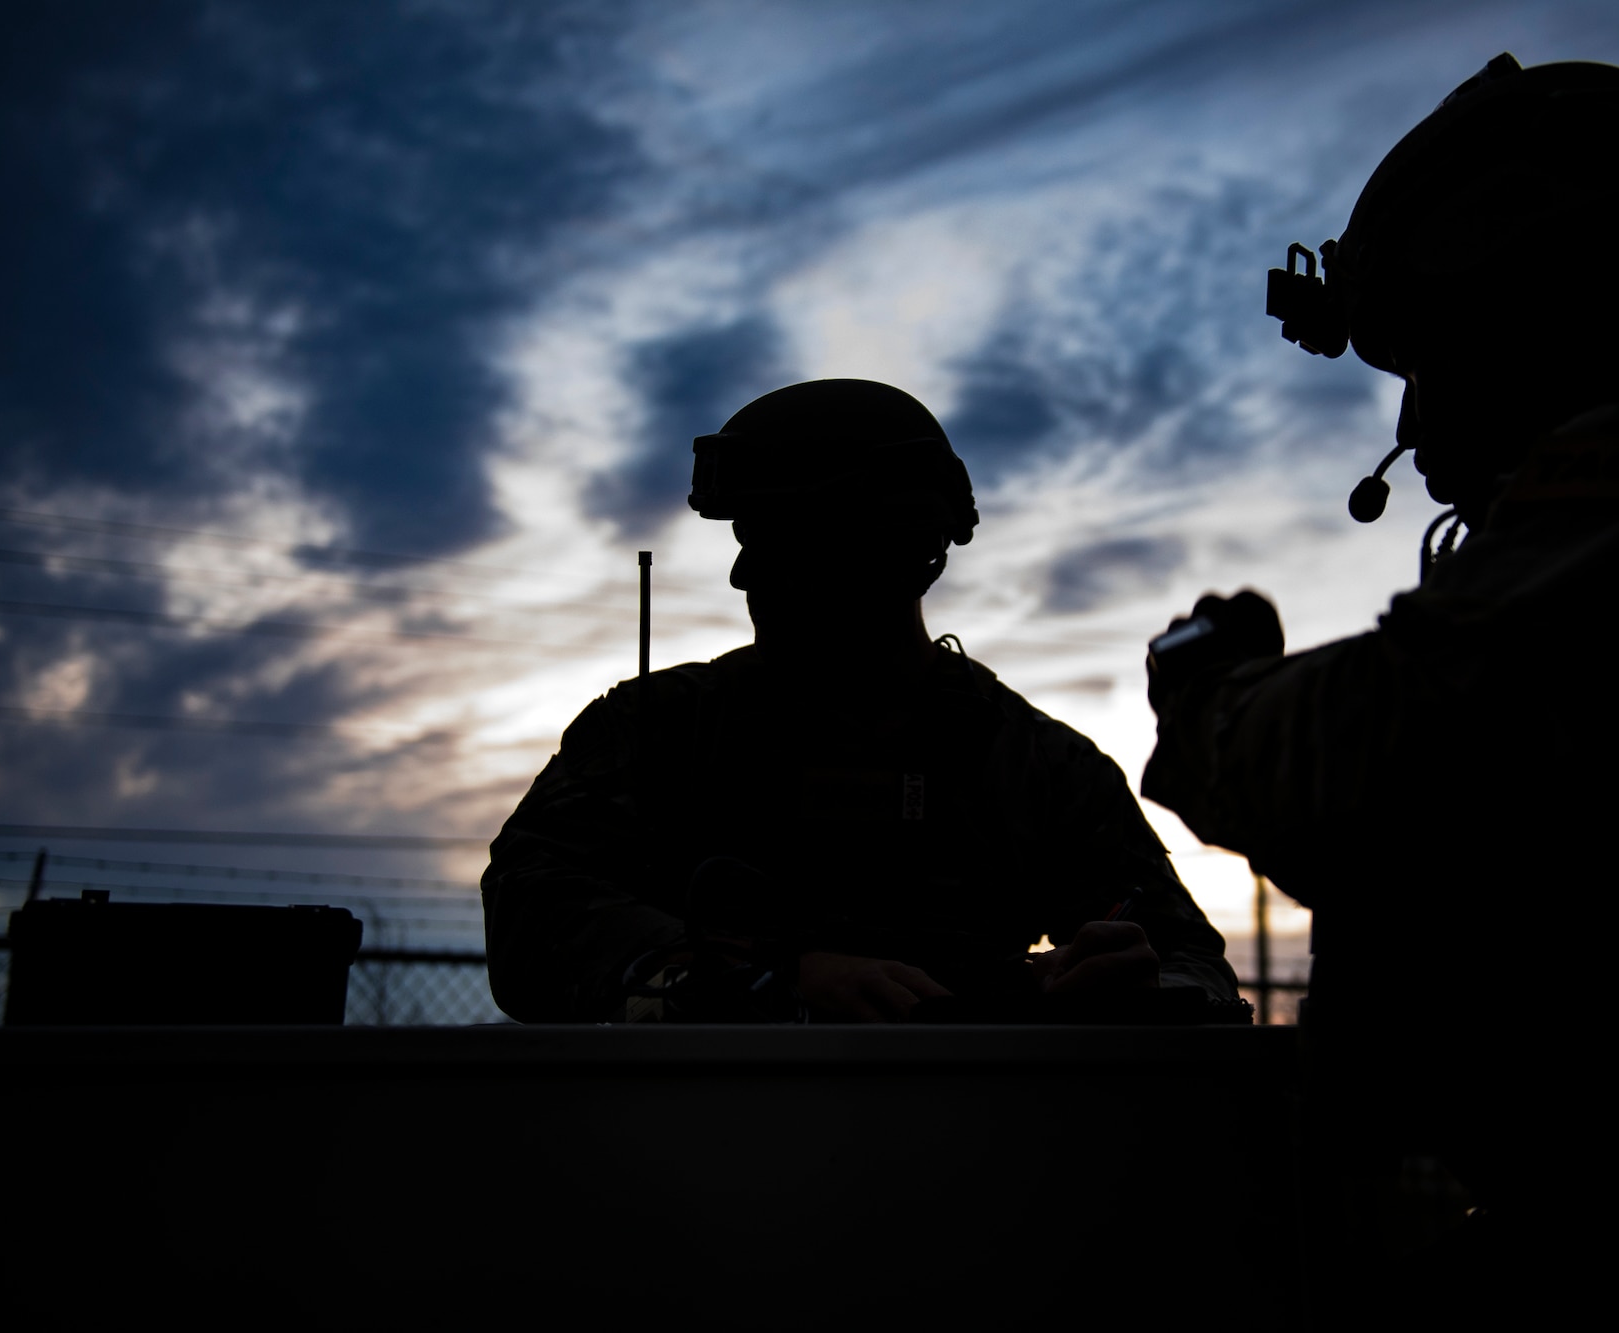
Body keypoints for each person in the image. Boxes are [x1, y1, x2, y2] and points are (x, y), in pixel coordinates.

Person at [1141, 55, 1619, 1323]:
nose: (1416, 419)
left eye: (1433, 355)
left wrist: (1217, 696)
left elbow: (1368, 765)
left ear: (1532, 314)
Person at [486, 378, 1239, 1024]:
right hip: (703, 1131)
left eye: (787, 541)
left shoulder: (1036, 767)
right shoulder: (661, 731)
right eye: (747, 538)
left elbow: (1188, 964)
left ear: (901, 555)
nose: (745, 575)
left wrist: (1129, 984)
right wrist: (759, 980)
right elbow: (528, 908)